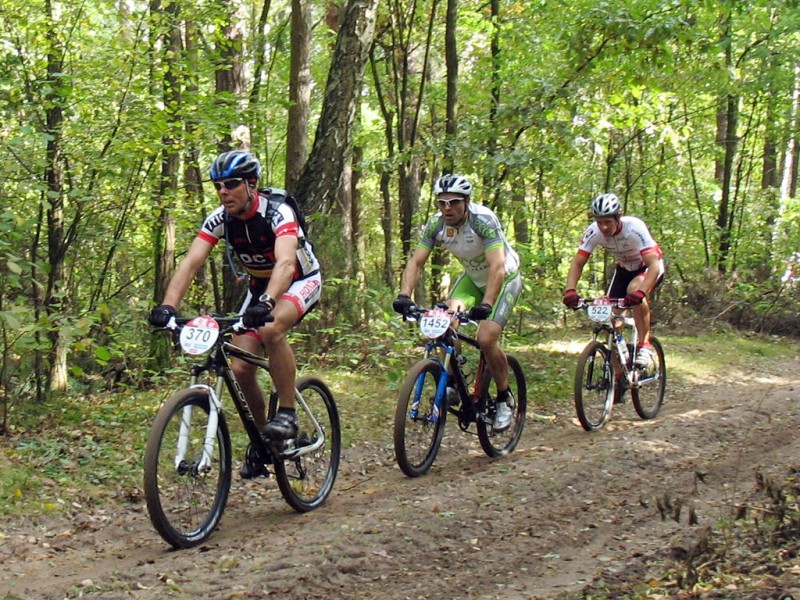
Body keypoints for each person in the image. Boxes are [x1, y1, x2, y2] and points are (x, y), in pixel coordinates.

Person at [148, 150, 322, 478]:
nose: (223, 191)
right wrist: (168, 306)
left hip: (299, 280)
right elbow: (191, 263)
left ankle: (287, 413)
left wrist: (267, 303)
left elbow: (286, 263)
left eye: (231, 184)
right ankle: (264, 439)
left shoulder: (278, 212)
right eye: (218, 185)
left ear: (251, 185)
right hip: (260, 288)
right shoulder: (220, 219)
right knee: (240, 367)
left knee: (271, 329)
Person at [392, 174, 523, 430]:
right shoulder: (436, 224)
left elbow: (497, 266)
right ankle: (453, 380)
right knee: (443, 323)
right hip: (472, 279)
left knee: (486, 338)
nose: (447, 208)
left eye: (453, 202)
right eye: (442, 202)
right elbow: (416, 262)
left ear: (466, 201)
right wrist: (405, 295)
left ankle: (504, 397)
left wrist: (486, 304)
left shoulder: (483, 220)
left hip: (504, 278)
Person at [562, 192, 665, 366]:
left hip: (648, 268)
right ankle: (617, 374)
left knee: (634, 290)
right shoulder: (593, 232)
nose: (603, 227)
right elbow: (578, 263)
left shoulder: (634, 228)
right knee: (610, 319)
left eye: (607, 222)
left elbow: (653, 265)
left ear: (618, 218)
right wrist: (570, 291)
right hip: (623, 270)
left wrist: (640, 293)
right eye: (599, 222)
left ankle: (644, 345)